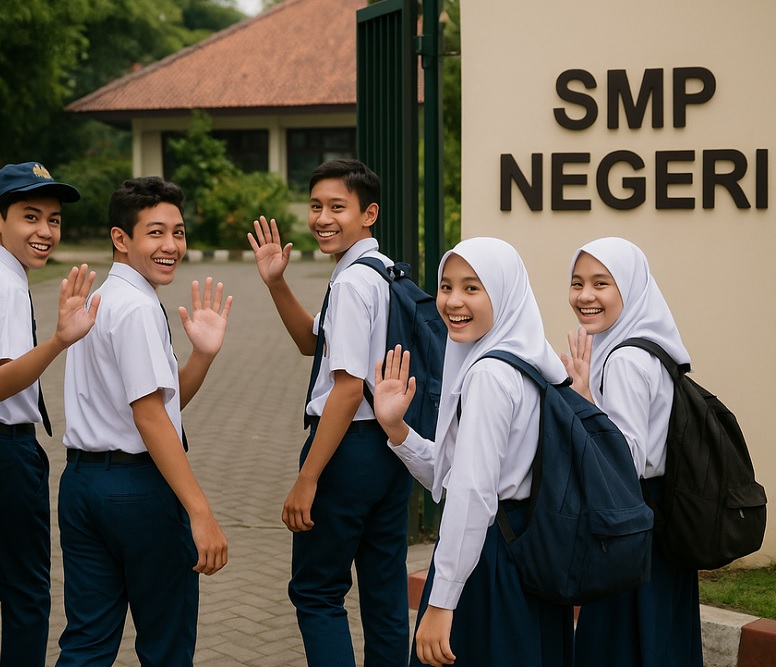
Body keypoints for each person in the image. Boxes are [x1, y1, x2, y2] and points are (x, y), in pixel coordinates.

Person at [373, 237, 575, 667]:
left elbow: (472, 494)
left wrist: (443, 601)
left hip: (489, 562)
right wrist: (396, 428)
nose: (452, 301)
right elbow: (456, 475)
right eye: (446, 286)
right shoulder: (525, 359)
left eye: (472, 288)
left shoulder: (489, 375)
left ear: (502, 292)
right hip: (525, 552)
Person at [57, 176, 231, 666]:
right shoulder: (135, 307)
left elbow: (158, 403)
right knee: (166, 644)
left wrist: (201, 356)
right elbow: (150, 416)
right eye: (155, 233)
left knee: (87, 642)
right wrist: (200, 511)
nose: (171, 245)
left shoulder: (102, 300)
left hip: (83, 485)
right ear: (121, 238)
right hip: (138, 492)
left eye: (178, 232)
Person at [248, 159, 413, 666]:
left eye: (337, 207)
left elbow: (344, 389)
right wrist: (277, 283)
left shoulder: (350, 284)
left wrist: (307, 477)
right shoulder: (383, 271)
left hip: (346, 451)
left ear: (369, 213)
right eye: (316, 205)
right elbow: (311, 344)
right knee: (385, 596)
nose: (322, 217)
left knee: (318, 594)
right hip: (391, 450)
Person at [0, 161, 100, 666]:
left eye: (53, 220)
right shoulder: (3, 284)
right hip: (0, 455)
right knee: (27, 597)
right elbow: (1, 381)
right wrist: (58, 340)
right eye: (31, 217)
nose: (45, 231)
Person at [562, 237, 702, 667]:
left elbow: (626, 458)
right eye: (577, 282)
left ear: (630, 287)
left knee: (619, 645)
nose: (585, 296)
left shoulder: (624, 359)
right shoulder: (650, 345)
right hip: (660, 520)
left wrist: (583, 401)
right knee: (662, 639)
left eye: (601, 283)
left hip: (629, 525)